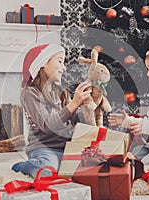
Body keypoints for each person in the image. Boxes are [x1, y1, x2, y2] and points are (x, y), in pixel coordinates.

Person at [12, 44, 91, 178]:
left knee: (92, 167)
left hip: (66, 148)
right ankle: (23, 166)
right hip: (44, 148)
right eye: (60, 61)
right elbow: (47, 125)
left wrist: (85, 107)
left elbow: (77, 123)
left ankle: (57, 165)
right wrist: (73, 104)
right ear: (43, 63)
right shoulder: (30, 93)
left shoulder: (62, 92)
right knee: (46, 172)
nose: (64, 67)